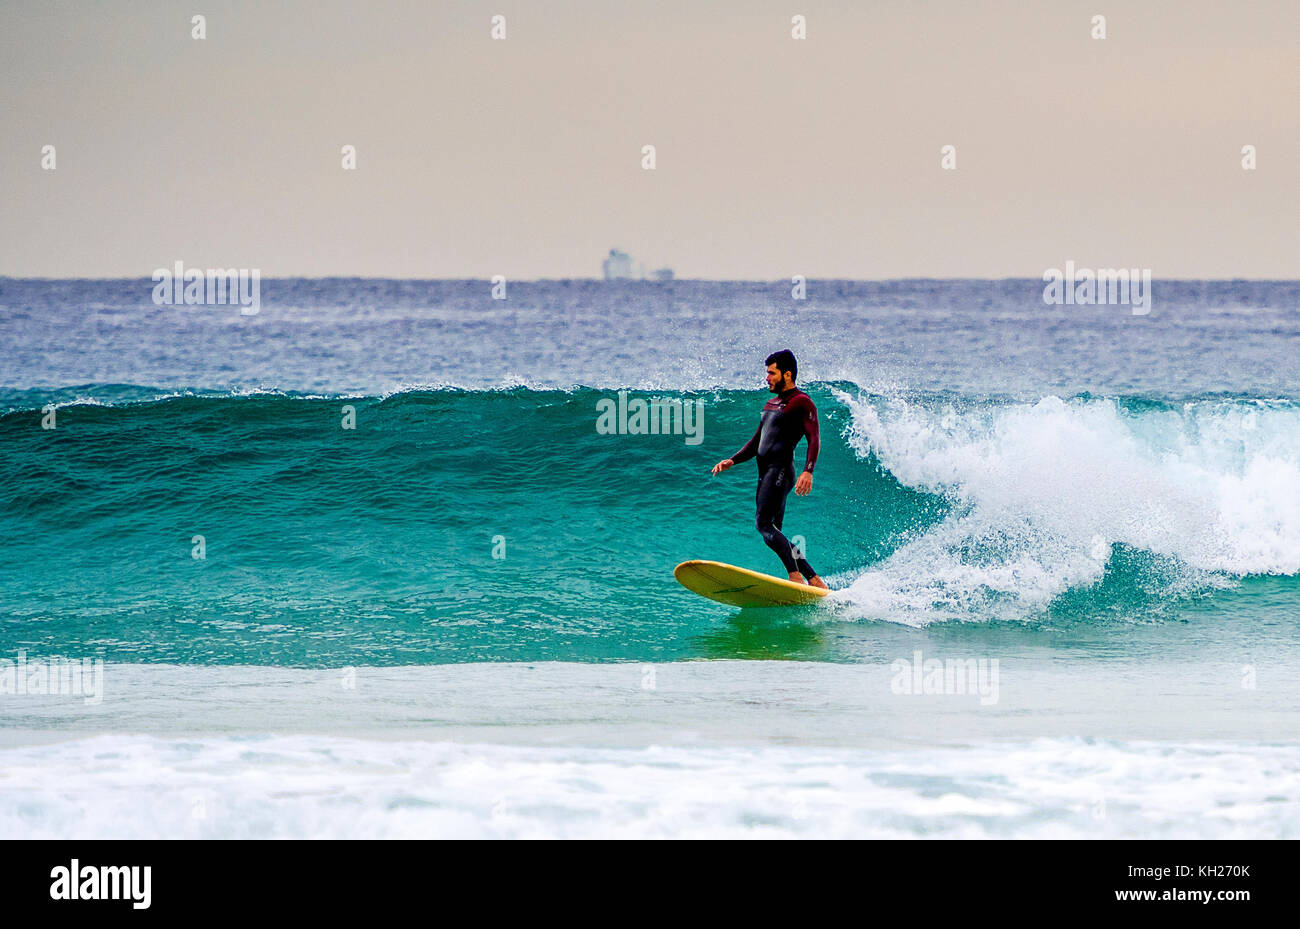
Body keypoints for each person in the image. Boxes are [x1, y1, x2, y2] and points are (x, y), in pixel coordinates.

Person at [711, 350, 828, 588]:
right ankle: (814, 580)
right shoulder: (771, 403)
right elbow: (757, 441)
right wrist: (732, 460)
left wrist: (809, 471)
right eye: (767, 373)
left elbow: (814, 438)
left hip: (781, 471)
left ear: (787, 374)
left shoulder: (801, 402)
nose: (767, 378)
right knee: (773, 532)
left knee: (763, 525)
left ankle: (794, 576)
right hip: (765, 472)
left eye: (771, 373)